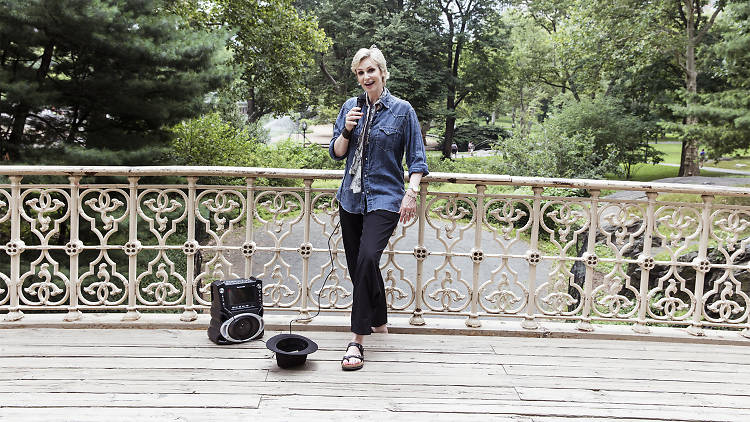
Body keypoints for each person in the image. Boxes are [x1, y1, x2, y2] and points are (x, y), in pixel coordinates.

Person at [329, 46, 428, 371]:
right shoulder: (350, 107)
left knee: (368, 257)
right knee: (360, 265)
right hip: (351, 199)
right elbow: (337, 153)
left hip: (385, 198)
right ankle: (380, 322)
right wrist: (347, 128)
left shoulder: (402, 111)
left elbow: (417, 160)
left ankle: (356, 340)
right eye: (360, 73)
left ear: (382, 73)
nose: (365, 77)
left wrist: (410, 193)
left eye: (370, 70)